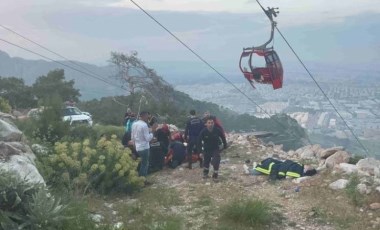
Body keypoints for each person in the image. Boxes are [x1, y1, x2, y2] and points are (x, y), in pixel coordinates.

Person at [131, 111, 157, 178]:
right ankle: (143, 180)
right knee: (145, 164)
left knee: (141, 163)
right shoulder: (144, 125)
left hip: (137, 147)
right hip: (144, 148)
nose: (148, 118)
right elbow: (148, 138)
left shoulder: (134, 124)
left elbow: (132, 137)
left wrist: (134, 145)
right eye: (147, 116)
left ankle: (139, 178)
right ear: (144, 116)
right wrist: (153, 131)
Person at [252, 157, 317, 180]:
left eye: (310, 167)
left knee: (268, 165)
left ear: (307, 170)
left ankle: (251, 170)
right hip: (281, 164)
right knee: (270, 160)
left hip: (276, 168)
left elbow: (288, 176)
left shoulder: (298, 171)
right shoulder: (300, 166)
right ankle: (255, 167)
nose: (308, 165)